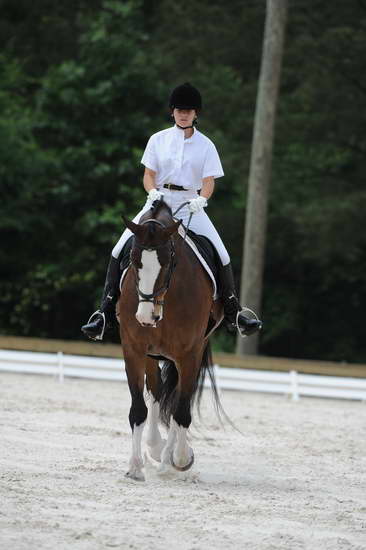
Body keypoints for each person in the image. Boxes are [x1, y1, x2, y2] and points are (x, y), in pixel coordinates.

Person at [81, 83, 262, 340]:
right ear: (172, 112)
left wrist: (202, 199)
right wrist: (152, 191)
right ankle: (104, 312)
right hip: (158, 201)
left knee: (221, 252)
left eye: (188, 110)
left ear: (196, 113)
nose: (183, 114)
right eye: (179, 109)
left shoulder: (206, 145)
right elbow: (148, 175)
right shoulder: (158, 139)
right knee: (118, 247)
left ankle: (234, 311)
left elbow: (209, 180)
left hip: (190, 203)